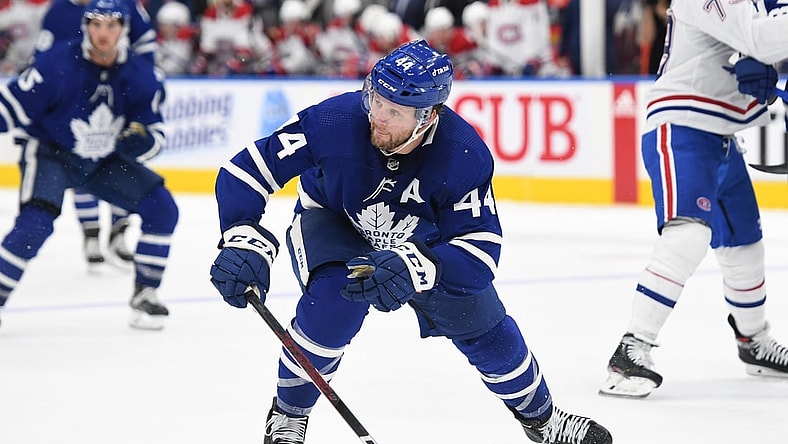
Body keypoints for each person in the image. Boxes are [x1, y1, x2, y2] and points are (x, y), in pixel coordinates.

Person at [209, 39, 613, 444]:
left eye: (395, 112)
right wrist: (243, 235)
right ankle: (288, 416)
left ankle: (544, 420)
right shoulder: (334, 120)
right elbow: (247, 171)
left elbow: (480, 248)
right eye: (376, 100)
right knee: (332, 306)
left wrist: (416, 265)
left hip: (423, 242)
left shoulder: (462, 153)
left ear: (427, 116)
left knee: (487, 329)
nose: (377, 118)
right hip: (335, 221)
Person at [599, 0, 788, 398]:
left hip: (721, 134)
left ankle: (753, 340)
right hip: (681, 125)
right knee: (688, 235)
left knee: (744, 243)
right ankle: (632, 347)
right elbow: (760, 39)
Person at [0, 0, 178, 330]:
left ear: (124, 29)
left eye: (111, 25)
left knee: (162, 208)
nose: (103, 33)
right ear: (85, 26)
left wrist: (140, 141)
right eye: (96, 24)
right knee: (35, 225)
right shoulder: (56, 63)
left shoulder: (141, 75)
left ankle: (145, 294)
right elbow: (8, 107)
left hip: (103, 158)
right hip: (51, 153)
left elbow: (155, 133)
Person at [34, 0, 158, 268]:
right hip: (73, 99)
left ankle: (119, 231)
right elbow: (42, 57)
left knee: (124, 164)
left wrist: (143, 85)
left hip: (121, 95)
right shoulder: (59, 10)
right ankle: (91, 233)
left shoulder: (125, 6)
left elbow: (146, 46)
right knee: (81, 160)